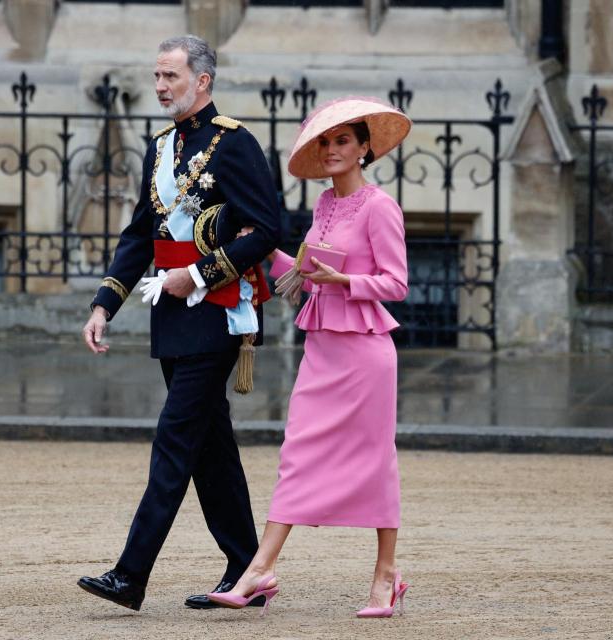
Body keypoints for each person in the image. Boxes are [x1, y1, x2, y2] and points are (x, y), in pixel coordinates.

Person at [77, 35, 281, 612]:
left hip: (218, 313)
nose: (161, 86)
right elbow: (140, 234)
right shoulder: (161, 147)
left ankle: (130, 574)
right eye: (157, 76)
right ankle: (248, 570)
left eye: (170, 76)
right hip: (170, 317)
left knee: (173, 440)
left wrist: (200, 275)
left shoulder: (236, 145)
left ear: (203, 81)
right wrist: (103, 305)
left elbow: (268, 230)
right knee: (209, 447)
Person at [207, 97, 412, 618]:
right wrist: (255, 244)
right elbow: (299, 277)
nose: (332, 150)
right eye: (325, 142)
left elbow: (397, 284)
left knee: (374, 460)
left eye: (343, 140)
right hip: (321, 351)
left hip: (366, 355)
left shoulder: (380, 206)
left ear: (365, 148)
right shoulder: (323, 205)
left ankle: (386, 574)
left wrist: (343, 280)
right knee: (296, 453)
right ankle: (260, 569)